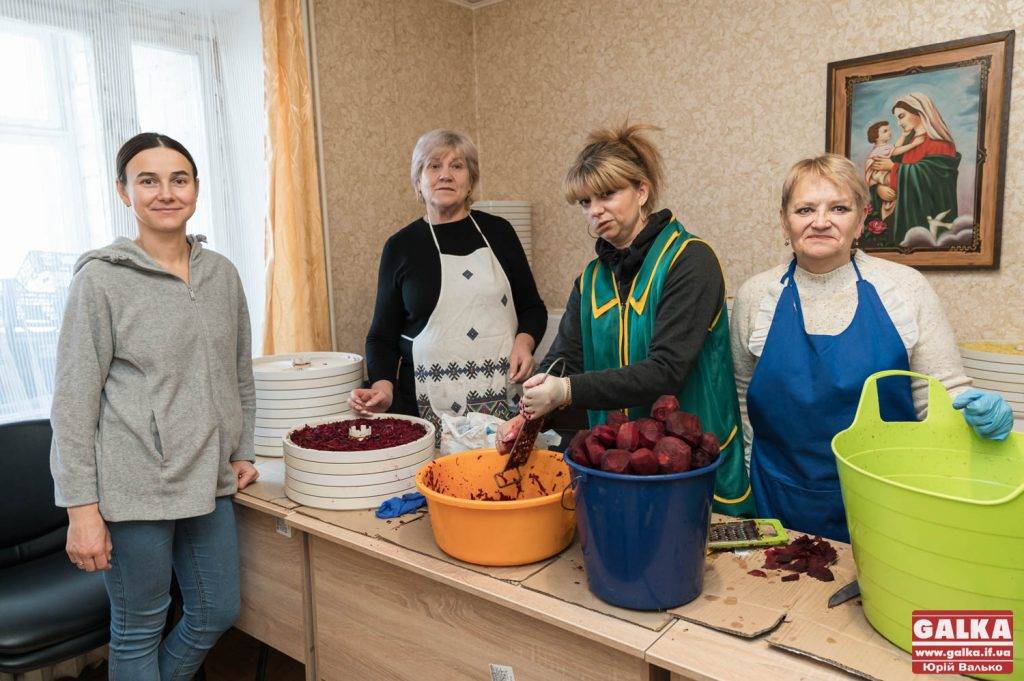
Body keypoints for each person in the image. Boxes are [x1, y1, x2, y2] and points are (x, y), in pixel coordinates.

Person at [50, 132, 259, 680]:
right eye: (148, 180)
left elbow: (239, 371)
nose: (165, 193)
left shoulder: (222, 275)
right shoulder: (100, 281)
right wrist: (80, 510)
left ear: (195, 190)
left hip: (209, 478)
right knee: (140, 625)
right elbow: (73, 402)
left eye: (178, 179)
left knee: (217, 610)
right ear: (124, 192)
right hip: (134, 486)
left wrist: (242, 449)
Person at [731, 154, 1014, 542]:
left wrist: (976, 415)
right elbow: (745, 399)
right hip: (779, 497)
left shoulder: (906, 288)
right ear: (784, 221)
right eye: (805, 209)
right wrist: (748, 471)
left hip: (887, 499)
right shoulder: (754, 296)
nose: (820, 221)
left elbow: (941, 393)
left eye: (839, 208)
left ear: (862, 219)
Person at [501, 122, 754, 516]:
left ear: (642, 190)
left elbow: (666, 370)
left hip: (692, 464)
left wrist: (564, 391)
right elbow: (564, 359)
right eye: (585, 202)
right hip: (617, 463)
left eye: (607, 194)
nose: (595, 210)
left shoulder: (690, 260)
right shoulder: (589, 280)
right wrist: (529, 412)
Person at [352, 129, 546, 430]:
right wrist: (383, 387)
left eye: (457, 166)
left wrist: (524, 342)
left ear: (471, 182)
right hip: (425, 410)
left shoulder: (499, 232)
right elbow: (381, 336)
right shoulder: (401, 246)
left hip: (504, 407)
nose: (445, 175)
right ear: (418, 181)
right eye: (434, 166)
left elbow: (532, 308)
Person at [869, 92, 961, 244]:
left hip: (922, 219)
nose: (899, 123)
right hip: (896, 213)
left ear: (919, 112)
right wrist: (879, 189)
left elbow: (934, 181)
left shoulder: (940, 144)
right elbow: (881, 173)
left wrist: (894, 167)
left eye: (901, 116)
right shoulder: (904, 144)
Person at [864, 120, 923, 222]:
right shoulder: (881, 149)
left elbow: (895, 147)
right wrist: (914, 144)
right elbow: (896, 151)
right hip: (882, 176)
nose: (889, 132)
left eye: (889, 130)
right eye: (885, 131)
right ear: (876, 136)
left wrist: (903, 136)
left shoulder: (882, 147)